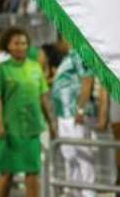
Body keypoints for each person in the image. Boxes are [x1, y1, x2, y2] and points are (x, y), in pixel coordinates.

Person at [0, 27, 54, 197]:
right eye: (16, 43)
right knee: (7, 173)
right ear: (8, 46)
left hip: (32, 129)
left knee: (32, 173)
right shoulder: (1, 70)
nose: (21, 47)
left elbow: (43, 98)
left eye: (24, 43)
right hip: (10, 129)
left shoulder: (36, 68)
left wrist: (50, 123)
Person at [51, 35, 96, 197]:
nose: (58, 44)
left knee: (83, 156)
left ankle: (88, 193)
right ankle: (76, 193)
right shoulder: (68, 58)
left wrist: (81, 109)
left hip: (75, 114)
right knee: (70, 156)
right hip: (64, 114)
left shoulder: (80, 53)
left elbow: (87, 80)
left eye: (60, 40)